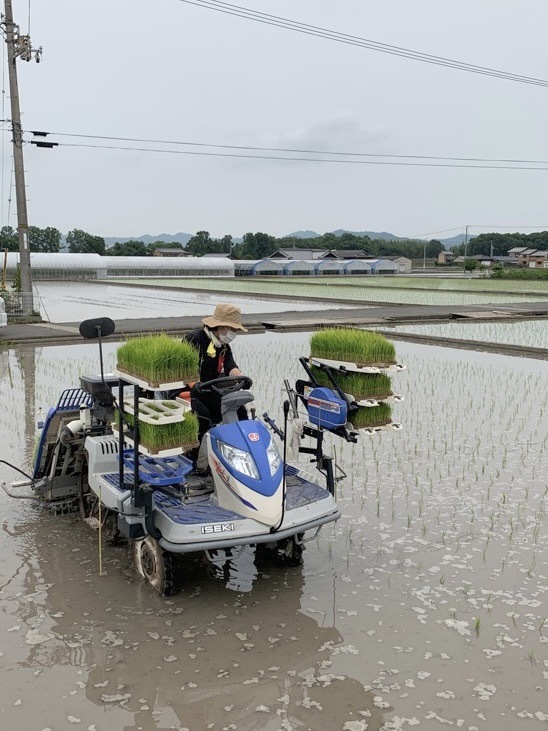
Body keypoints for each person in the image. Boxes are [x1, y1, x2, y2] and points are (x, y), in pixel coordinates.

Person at [184, 303, 249, 447]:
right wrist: (195, 384)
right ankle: (199, 459)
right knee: (203, 416)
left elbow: (230, 366)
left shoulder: (223, 345)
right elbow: (186, 370)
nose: (234, 333)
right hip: (189, 390)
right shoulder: (194, 339)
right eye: (232, 329)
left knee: (239, 409)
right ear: (221, 327)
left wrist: (242, 379)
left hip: (209, 389)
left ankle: (241, 449)